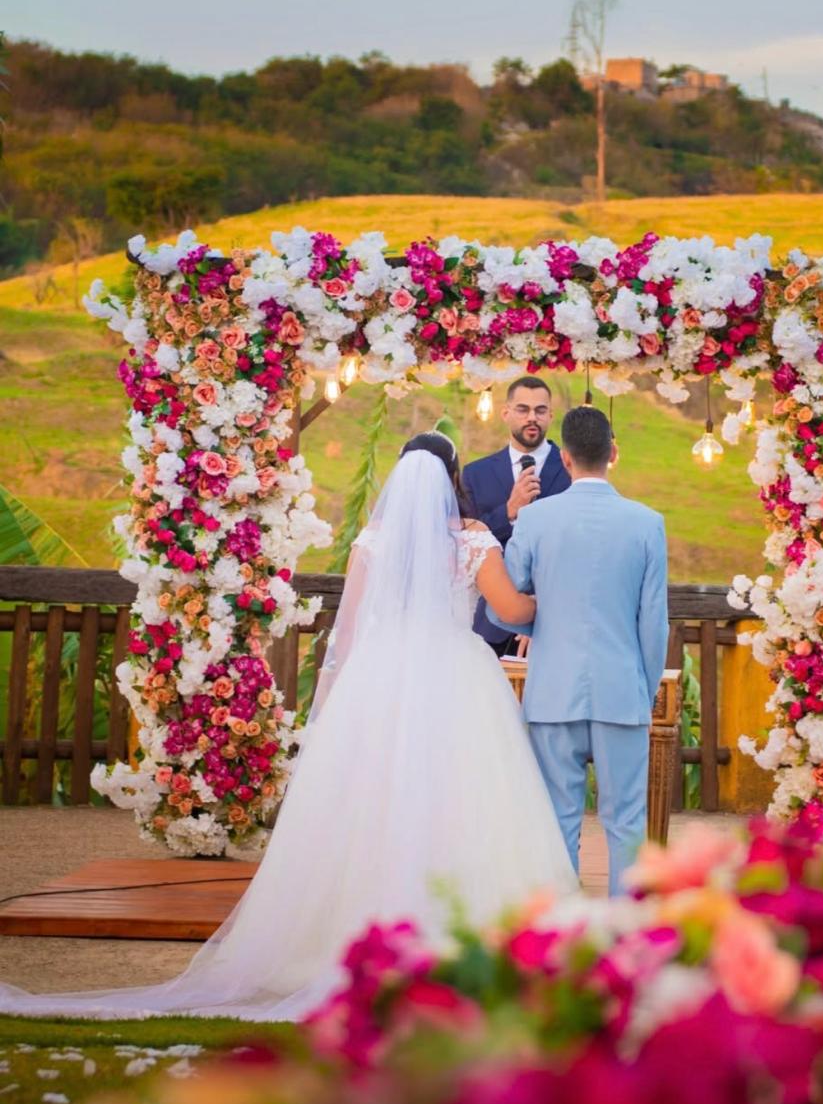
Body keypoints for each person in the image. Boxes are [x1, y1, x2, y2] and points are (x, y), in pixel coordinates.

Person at [0, 434, 578, 1022]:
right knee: (462, 805)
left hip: (377, 678)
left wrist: (331, 709)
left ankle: (358, 937)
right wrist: (553, 594)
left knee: (372, 806)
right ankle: (462, 938)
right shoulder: (473, 541)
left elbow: (347, 635)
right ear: (454, 479)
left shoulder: (374, 542)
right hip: (457, 677)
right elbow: (509, 611)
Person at [488, 406, 669, 896]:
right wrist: (643, 689)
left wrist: (541, 615)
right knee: (627, 822)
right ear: (612, 454)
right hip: (621, 691)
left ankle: (561, 934)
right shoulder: (647, 523)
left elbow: (507, 610)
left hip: (551, 690)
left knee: (557, 819)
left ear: (564, 459)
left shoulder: (535, 519)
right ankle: (627, 934)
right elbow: (654, 624)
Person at [462, 376, 570, 656]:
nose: (532, 418)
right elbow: (467, 542)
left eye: (540, 410)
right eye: (523, 409)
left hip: (558, 622)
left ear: (550, 415)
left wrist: (547, 613)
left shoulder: (573, 470)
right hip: (491, 621)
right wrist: (509, 511)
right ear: (506, 412)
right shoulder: (476, 474)